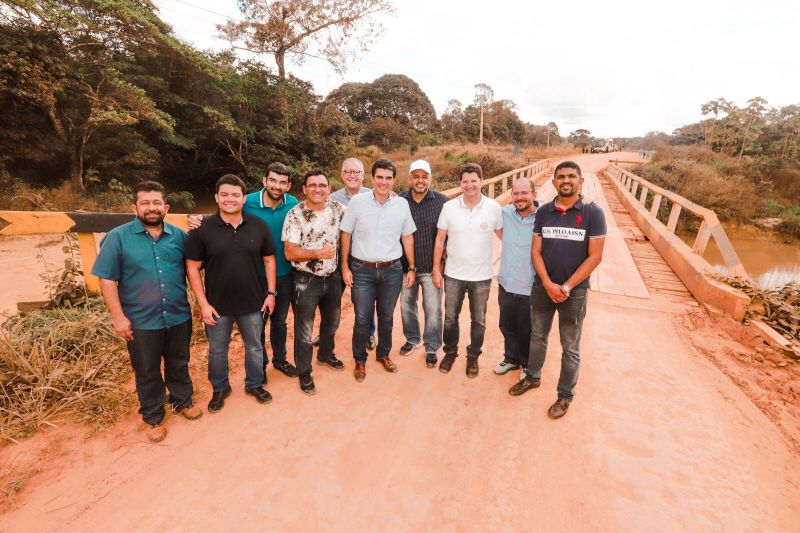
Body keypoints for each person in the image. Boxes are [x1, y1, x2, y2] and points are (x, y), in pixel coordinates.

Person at [92, 180, 202, 443]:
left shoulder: (179, 237)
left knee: (179, 361)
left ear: (165, 207)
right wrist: (118, 316)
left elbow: (193, 270)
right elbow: (106, 279)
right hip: (141, 320)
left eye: (156, 203)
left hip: (177, 314)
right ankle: (153, 416)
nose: (151, 208)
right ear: (135, 207)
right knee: (147, 369)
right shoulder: (117, 238)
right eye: (145, 203)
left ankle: (182, 401)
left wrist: (199, 301)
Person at [508, 161, 606, 420]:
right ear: (553, 182)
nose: (566, 180)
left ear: (580, 181)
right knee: (537, 337)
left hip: (574, 293)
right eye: (560, 176)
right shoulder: (544, 212)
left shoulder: (593, 214)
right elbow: (535, 251)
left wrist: (565, 286)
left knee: (570, 347)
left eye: (571, 176)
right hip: (543, 288)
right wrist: (548, 283)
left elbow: (595, 257)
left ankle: (565, 395)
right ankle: (533, 377)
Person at [188, 163, 299, 379]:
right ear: (264, 181)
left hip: (283, 273)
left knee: (280, 322)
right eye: (273, 180)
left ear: (288, 186)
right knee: (256, 329)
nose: (277, 186)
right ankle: (260, 368)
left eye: (283, 182)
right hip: (253, 276)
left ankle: (280, 360)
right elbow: (223, 217)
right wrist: (197, 219)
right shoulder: (246, 201)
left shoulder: (293, 203)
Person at [185, 174, 276, 412]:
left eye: (235, 195)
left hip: (253, 302)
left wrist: (271, 293)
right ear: (216, 197)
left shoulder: (259, 225)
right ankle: (220, 388)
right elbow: (192, 268)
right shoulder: (202, 229)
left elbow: (269, 261)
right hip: (217, 306)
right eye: (224, 194)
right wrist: (202, 303)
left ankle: (254, 384)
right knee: (217, 349)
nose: (230, 199)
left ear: (244, 198)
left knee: (255, 346)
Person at [340, 158, 416, 382]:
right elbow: (346, 233)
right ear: (372, 179)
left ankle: (383, 355)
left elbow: (407, 236)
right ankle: (360, 359)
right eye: (380, 177)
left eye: (388, 178)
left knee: (386, 317)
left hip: (392, 270)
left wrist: (411, 267)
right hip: (361, 270)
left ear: (394, 180)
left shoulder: (402, 204)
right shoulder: (357, 202)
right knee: (362, 318)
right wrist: (345, 267)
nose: (384, 182)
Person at [432, 162, 503, 378]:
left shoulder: (494, 208)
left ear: (481, 181)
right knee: (450, 318)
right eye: (465, 181)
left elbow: (505, 238)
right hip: (453, 274)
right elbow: (439, 240)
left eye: (474, 180)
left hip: (481, 277)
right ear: (460, 183)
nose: (469, 185)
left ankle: (473, 356)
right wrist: (436, 269)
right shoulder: (449, 207)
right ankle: (450, 352)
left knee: (478, 320)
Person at [282, 169, 347, 395]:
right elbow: (289, 252)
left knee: (332, 322)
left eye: (322, 185)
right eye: (313, 185)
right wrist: (318, 252)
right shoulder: (295, 214)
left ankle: (326, 354)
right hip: (305, 280)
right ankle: (304, 371)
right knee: (304, 329)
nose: (318, 189)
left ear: (329, 189)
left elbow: (360, 223)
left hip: (333, 277)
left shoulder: (339, 209)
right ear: (304, 189)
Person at [398, 160, 448, 368]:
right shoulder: (399, 200)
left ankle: (432, 346)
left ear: (430, 179)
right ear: (409, 178)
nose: (420, 180)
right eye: (416, 176)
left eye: (424, 176)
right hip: (404, 267)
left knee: (433, 308)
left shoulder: (442, 202)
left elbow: (447, 237)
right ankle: (412, 339)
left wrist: (441, 267)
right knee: (406, 305)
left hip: (431, 267)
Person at [329, 157, 377, 350]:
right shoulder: (331, 198)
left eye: (356, 172)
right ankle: (327, 333)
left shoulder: (374, 195)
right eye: (348, 172)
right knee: (332, 300)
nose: (352, 176)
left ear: (363, 175)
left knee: (364, 301)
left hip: (363, 258)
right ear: (341, 175)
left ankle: (369, 334)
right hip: (337, 257)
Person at [495, 177, 537, 379]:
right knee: (506, 324)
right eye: (516, 193)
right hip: (506, 282)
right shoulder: (505, 213)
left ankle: (528, 365)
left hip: (529, 285)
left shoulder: (543, 217)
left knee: (527, 329)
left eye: (524, 193)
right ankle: (511, 359)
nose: (519, 197)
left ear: (533, 195)